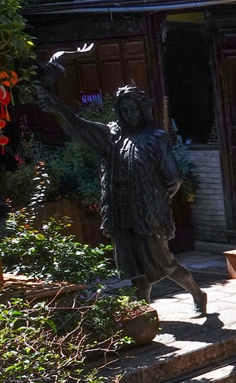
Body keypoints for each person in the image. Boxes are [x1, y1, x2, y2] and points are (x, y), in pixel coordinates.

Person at [35, 83, 207, 315]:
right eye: (124, 110)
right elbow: (81, 128)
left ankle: (197, 293)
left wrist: (154, 199)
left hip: (147, 213)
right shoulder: (112, 136)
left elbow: (173, 178)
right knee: (133, 265)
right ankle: (144, 311)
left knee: (163, 262)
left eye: (133, 109)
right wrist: (57, 107)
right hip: (119, 210)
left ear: (142, 110)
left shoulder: (156, 138)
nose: (129, 114)